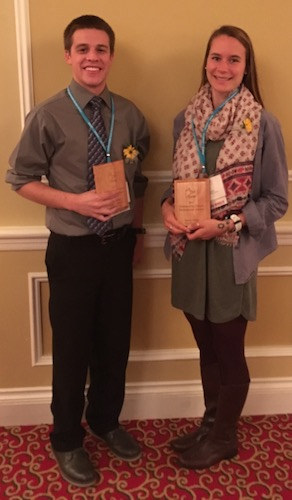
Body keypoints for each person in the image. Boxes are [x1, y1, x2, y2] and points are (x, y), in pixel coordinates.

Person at [6, 15, 149, 486]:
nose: (93, 57)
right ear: (69, 55)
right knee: (71, 349)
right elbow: (19, 180)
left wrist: (138, 233)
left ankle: (106, 421)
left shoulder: (128, 114)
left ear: (112, 55)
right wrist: (74, 200)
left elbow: (140, 176)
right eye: (83, 48)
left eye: (101, 48)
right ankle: (67, 438)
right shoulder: (48, 115)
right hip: (72, 248)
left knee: (114, 343)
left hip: (118, 246)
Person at [161, 25, 288, 470]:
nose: (223, 67)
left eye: (234, 59)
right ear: (206, 62)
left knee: (229, 350)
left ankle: (225, 438)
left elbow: (277, 200)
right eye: (216, 57)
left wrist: (227, 223)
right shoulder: (186, 119)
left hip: (232, 254)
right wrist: (166, 209)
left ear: (246, 67)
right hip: (191, 255)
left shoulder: (262, 123)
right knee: (205, 347)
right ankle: (211, 423)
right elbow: (174, 187)